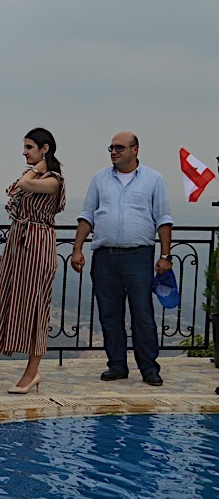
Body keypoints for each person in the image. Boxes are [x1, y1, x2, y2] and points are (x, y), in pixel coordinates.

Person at [71, 131, 172, 387]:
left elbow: (163, 219)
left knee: (143, 313)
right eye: (111, 148)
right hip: (104, 256)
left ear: (135, 149)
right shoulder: (99, 179)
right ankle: (116, 365)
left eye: (119, 147)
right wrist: (77, 248)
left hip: (139, 256)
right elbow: (87, 215)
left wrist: (165, 255)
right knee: (109, 314)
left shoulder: (154, 179)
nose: (113, 152)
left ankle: (149, 368)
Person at [0, 128, 65, 394]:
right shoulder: (32, 174)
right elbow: (15, 188)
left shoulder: (54, 180)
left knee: (36, 305)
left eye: (29, 147)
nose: (24, 152)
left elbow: (23, 185)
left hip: (38, 243)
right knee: (2, 301)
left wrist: (38, 169)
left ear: (45, 149)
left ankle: (31, 372)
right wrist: (35, 168)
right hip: (17, 241)